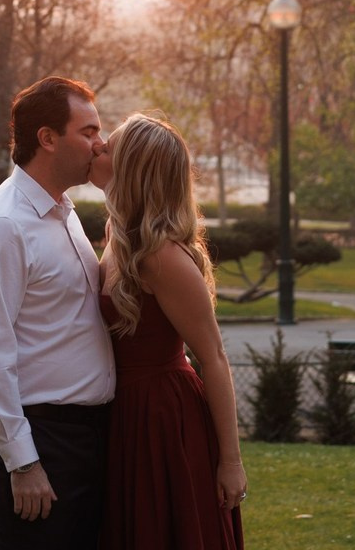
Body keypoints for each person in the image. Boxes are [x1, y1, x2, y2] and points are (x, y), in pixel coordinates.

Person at [0, 75, 116, 549]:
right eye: (88, 132)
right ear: (47, 138)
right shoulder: (5, 225)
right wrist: (23, 462)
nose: (100, 143)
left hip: (83, 438)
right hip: (41, 440)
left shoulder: (63, 211)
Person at [91, 112, 246, 550]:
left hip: (164, 419)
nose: (97, 147)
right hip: (126, 412)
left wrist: (231, 462)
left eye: (108, 147)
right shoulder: (118, 234)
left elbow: (213, 357)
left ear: (132, 169)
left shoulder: (161, 257)